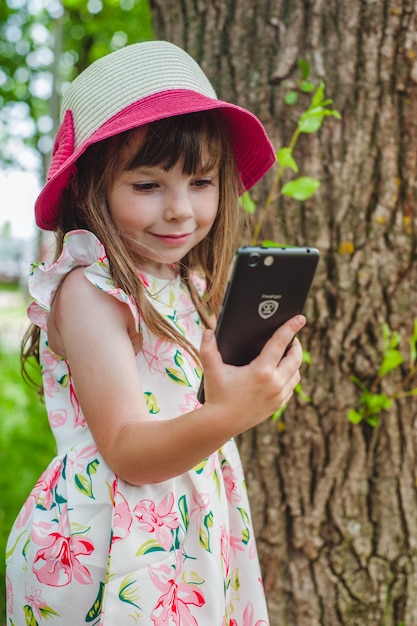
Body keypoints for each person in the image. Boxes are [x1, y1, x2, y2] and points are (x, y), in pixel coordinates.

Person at [5, 40, 306, 625]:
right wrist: (230, 414)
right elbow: (126, 451)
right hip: (111, 548)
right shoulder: (90, 290)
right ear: (93, 187)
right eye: (147, 186)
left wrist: (241, 383)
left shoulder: (181, 278)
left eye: (201, 182)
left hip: (185, 532)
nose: (181, 211)